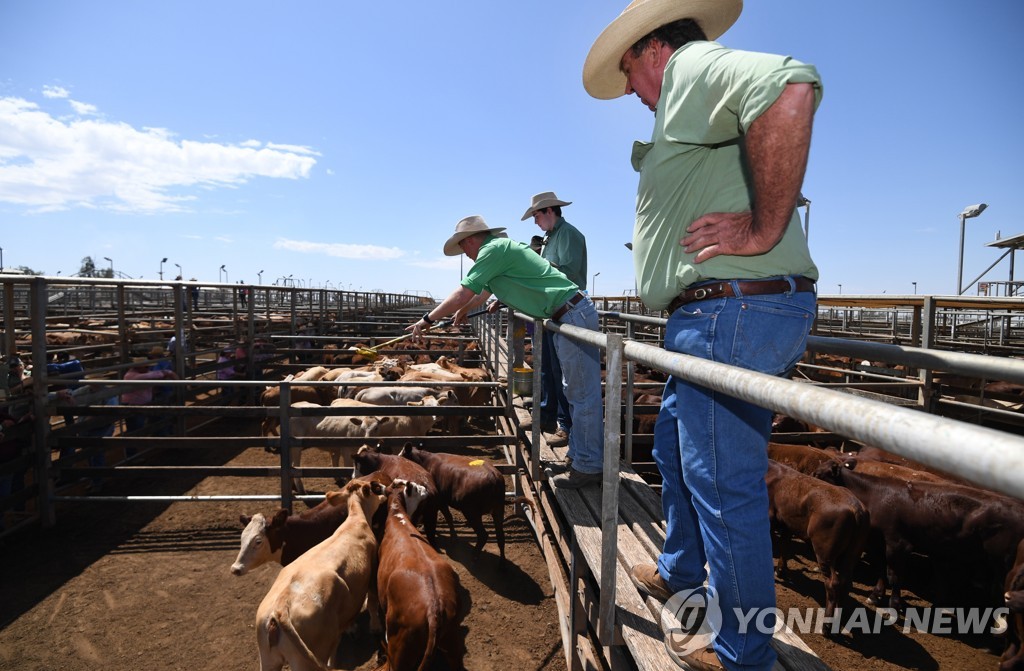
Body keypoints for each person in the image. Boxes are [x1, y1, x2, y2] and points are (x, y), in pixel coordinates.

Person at [583, 2, 821, 669]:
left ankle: (745, 651)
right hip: (714, 315)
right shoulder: (681, 105)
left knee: (723, 482)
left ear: (653, 49)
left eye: (629, 73)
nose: (629, 90)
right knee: (672, 439)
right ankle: (682, 569)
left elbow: (790, 85)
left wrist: (761, 231)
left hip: (729, 313)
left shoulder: (688, 66)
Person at [406, 215, 604, 488]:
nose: (466, 253)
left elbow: (465, 291)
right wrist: (463, 311)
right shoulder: (498, 252)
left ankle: (589, 465)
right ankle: (582, 456)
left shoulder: (492, 250)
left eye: (464, 247)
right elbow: (480, 294)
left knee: (580, 393)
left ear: (471, 240)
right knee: (573, 390)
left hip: (570, 314)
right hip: (566, 314)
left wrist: (426, 319)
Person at [521, 192, 588, 449]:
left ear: (550, 211)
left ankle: (566, 425)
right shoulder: (551, 236)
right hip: (553, 308)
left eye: (537, 215)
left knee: (563, 372)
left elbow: (567, 272)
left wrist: (536, 268)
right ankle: (547, 416)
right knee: (548, 367)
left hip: (567, 307)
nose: (535, 222)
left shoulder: (569, 234)